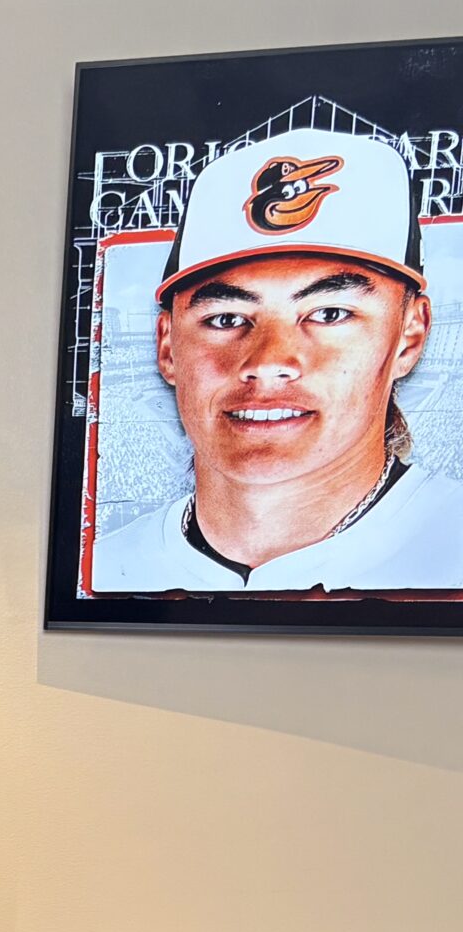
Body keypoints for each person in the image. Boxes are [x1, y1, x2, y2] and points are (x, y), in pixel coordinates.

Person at [92, 128, 463, 593]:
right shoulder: (109, 567)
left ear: (410, 336)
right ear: (166, 345)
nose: (268, 361)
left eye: (329, 314)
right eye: (226, 318)